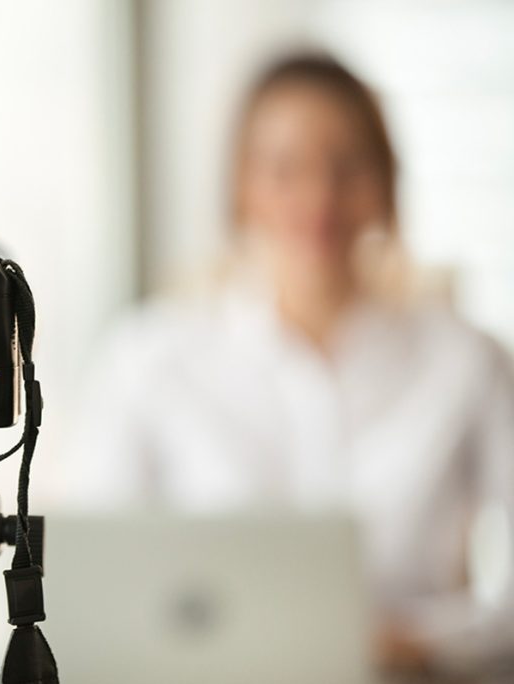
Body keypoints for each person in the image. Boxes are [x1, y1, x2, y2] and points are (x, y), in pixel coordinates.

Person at [71, 53, 514, 679]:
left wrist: (425, 643)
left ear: (386, 183)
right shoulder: (148, 358)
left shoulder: (468, 361)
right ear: (241, 187)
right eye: (284, 168)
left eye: (347, 166)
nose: (318, 196)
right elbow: (93, 582)